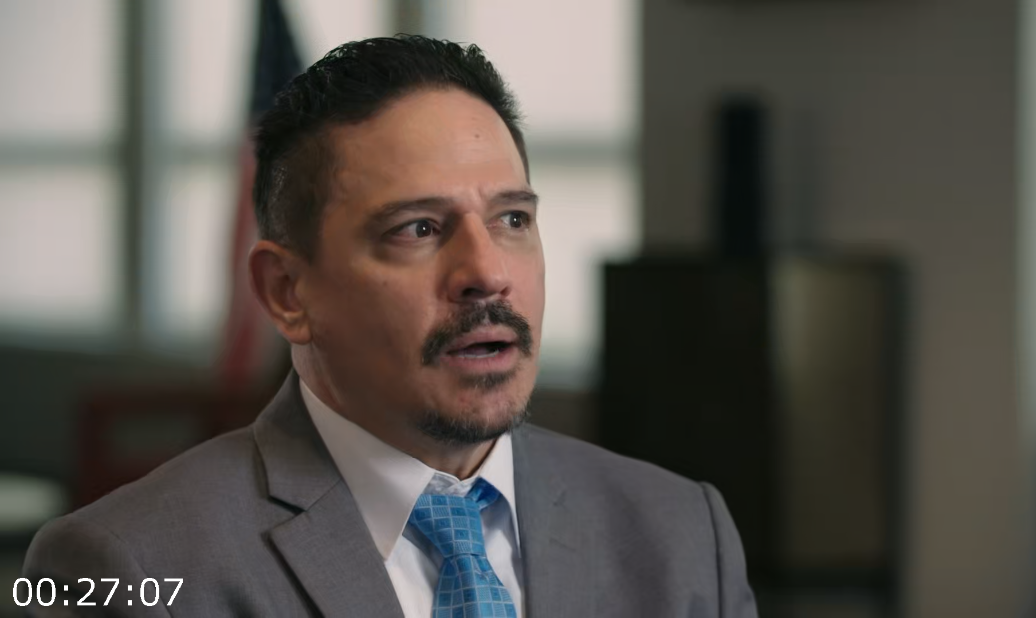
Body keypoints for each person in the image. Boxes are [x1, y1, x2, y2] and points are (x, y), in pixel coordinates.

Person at [23, 35, 758, 617]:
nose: (487, 271)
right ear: (287, 292)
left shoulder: (683, 532)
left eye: (511, 219)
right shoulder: (120, 567)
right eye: (418, 228)